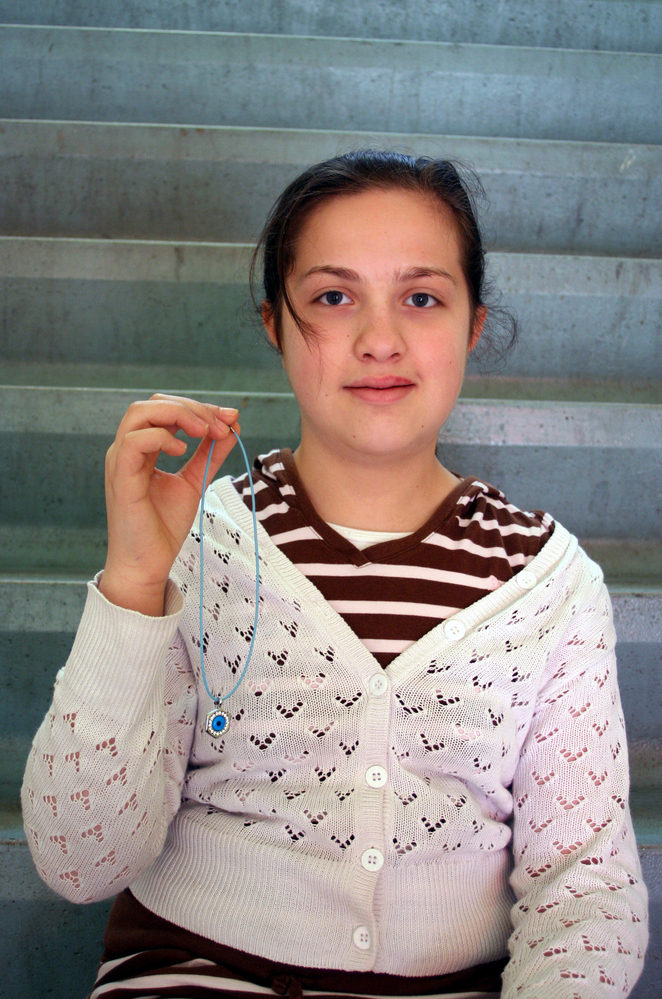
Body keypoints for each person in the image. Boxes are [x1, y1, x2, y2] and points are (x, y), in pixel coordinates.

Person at [22, 151, 648, 999]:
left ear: (473, 325)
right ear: (274, 325)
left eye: (421, 298)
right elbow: (78, 860)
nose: (379, 339)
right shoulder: (197, 542)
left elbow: (587, 891)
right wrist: (135, 582)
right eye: (331, 297)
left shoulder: (549, 582)